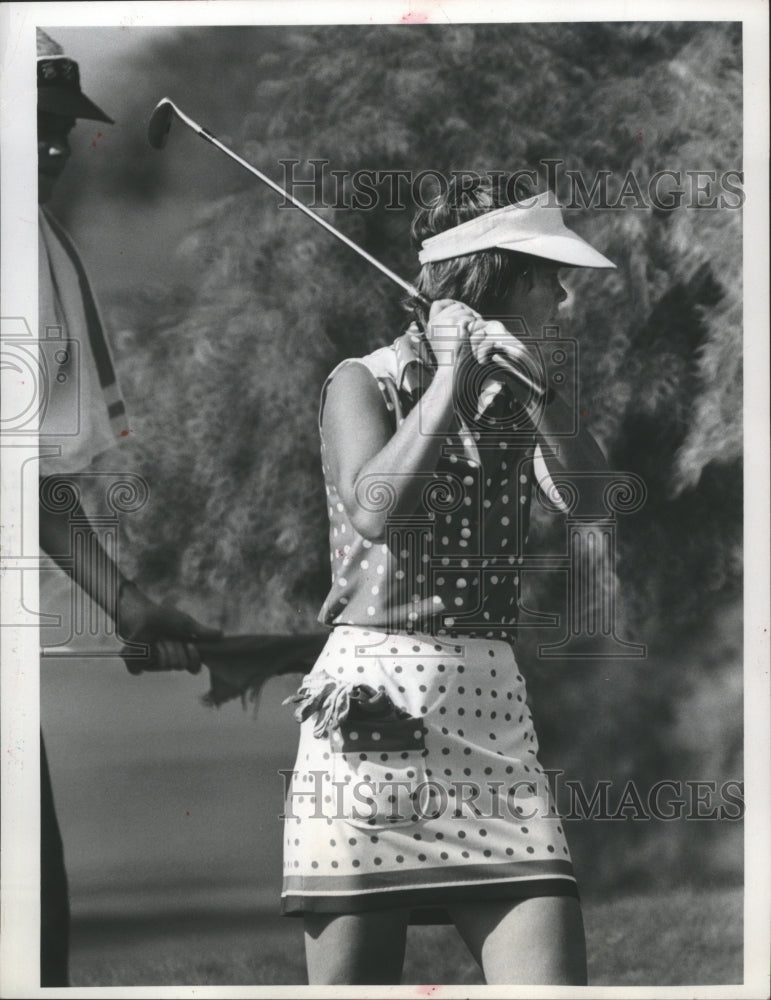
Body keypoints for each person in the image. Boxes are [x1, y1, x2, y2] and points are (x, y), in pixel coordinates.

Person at [281, 175, 615, 985]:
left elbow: (594, 500)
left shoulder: (525, 390)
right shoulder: (363, 381)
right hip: (369, 721)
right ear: (491, 276)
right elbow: (373, 509)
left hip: (492, 719)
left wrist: (539, 391)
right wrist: (445, 381)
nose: (564, 295)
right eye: (546, 274)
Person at [36, 29, 221, 986]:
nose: (56, 148)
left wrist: (126, 601)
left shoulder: (38, 249)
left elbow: (31, 482)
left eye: (63, 127)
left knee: (30, 934)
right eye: (33, 126)